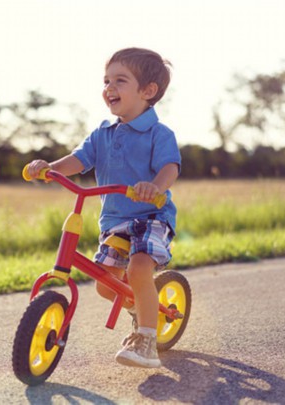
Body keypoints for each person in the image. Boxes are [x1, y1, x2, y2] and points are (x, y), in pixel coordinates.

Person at [25, 47, 181, 368]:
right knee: (107, 286)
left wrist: (155, 187)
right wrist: (48, 167)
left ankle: (147, 339)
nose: (109, 87)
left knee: (138, 271)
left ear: (147, 91)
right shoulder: (102, 134)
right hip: (115, 221)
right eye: (106, 80)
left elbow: (170, 167)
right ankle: (143, 304)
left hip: (150, 217)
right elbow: (78, 160)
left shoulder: (158, 134)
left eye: (120, 80)